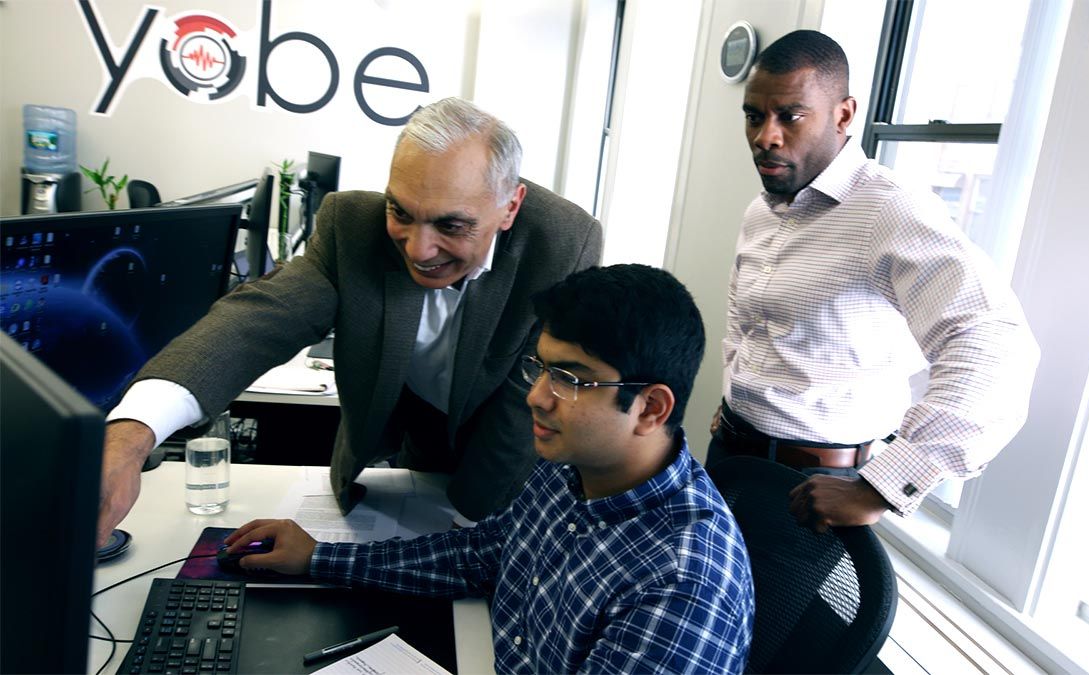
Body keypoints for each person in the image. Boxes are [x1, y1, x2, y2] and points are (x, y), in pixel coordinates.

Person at [97, 97, 603, 546]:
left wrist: (468, 535)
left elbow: (524, 403)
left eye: (451, 226)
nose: (418, 250)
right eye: (400, 213)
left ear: (509, 207)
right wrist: (132, 433)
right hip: (400, 456)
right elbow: (256, 321)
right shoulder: (351, 226)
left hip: (506, 468)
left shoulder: (563, 243)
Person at [224, 264, 755, 674]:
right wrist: (320, 558)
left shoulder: (683, 583)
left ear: (651, 408)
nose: (537, 397)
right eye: (541, 368)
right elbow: (487, 552)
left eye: (570, 379)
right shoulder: (574, 466)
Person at [710, 29, 1040, 531]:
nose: (765, 136)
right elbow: (749, 325)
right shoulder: (762, 210)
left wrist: (882, 486)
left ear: (843, 115)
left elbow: (994, 343)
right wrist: (736, 396)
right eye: (754, 116)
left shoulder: (888, 210)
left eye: (790, 116)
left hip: (812, 485)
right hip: (730, 455)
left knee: (763, 613)